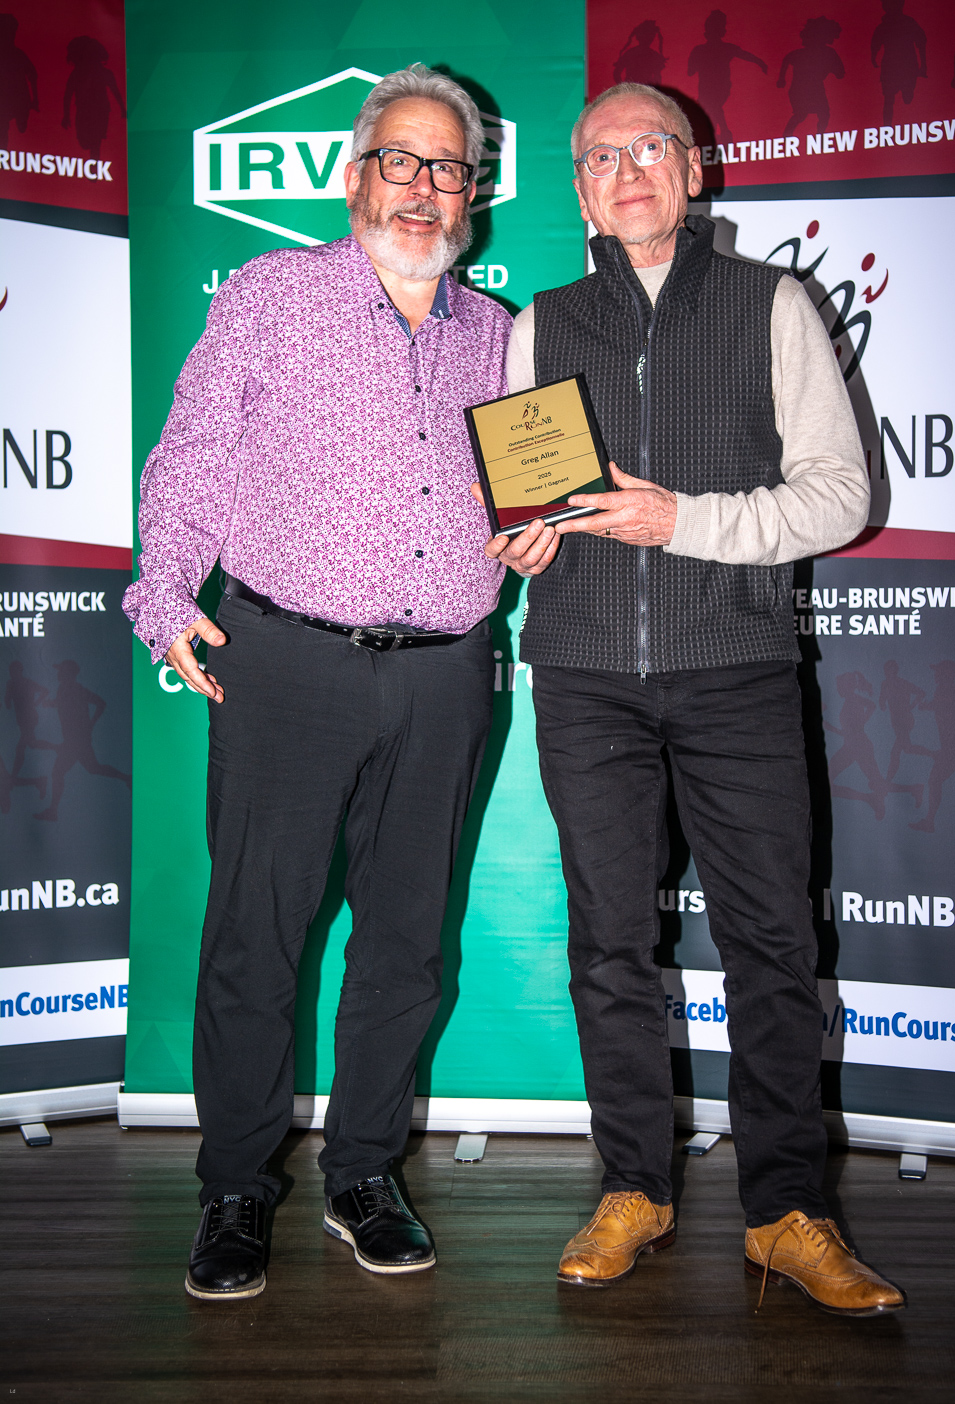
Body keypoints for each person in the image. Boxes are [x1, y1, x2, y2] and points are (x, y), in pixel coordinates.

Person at [479, 81, 904, 1316]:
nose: (626, 171)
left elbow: (840, 497)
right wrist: (521, 542)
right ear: (578, 189)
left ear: (693, 170)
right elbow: (525, 505)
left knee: (772, 943)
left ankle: (785, 1214)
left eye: (649, 147)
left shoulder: (773, 303)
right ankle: (632, 1188)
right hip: (584, 673)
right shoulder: (541, 323)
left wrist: (684, 521)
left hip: (736, 668)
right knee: (609, 944)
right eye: (599, 157)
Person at [124, 64, 510, 1301]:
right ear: (355, 177)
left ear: (473, 194)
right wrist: (162, 592)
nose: (422, 186)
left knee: (407, 943)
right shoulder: (268, 296)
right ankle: (237, 1184)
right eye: (400, 159)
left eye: (447, 167)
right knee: (257, 935)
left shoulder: (497, 335)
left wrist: (542, 531)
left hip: (446, 676)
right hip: (284, 662)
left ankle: (363, 1173)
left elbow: (526, 495)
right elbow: (191, 454)